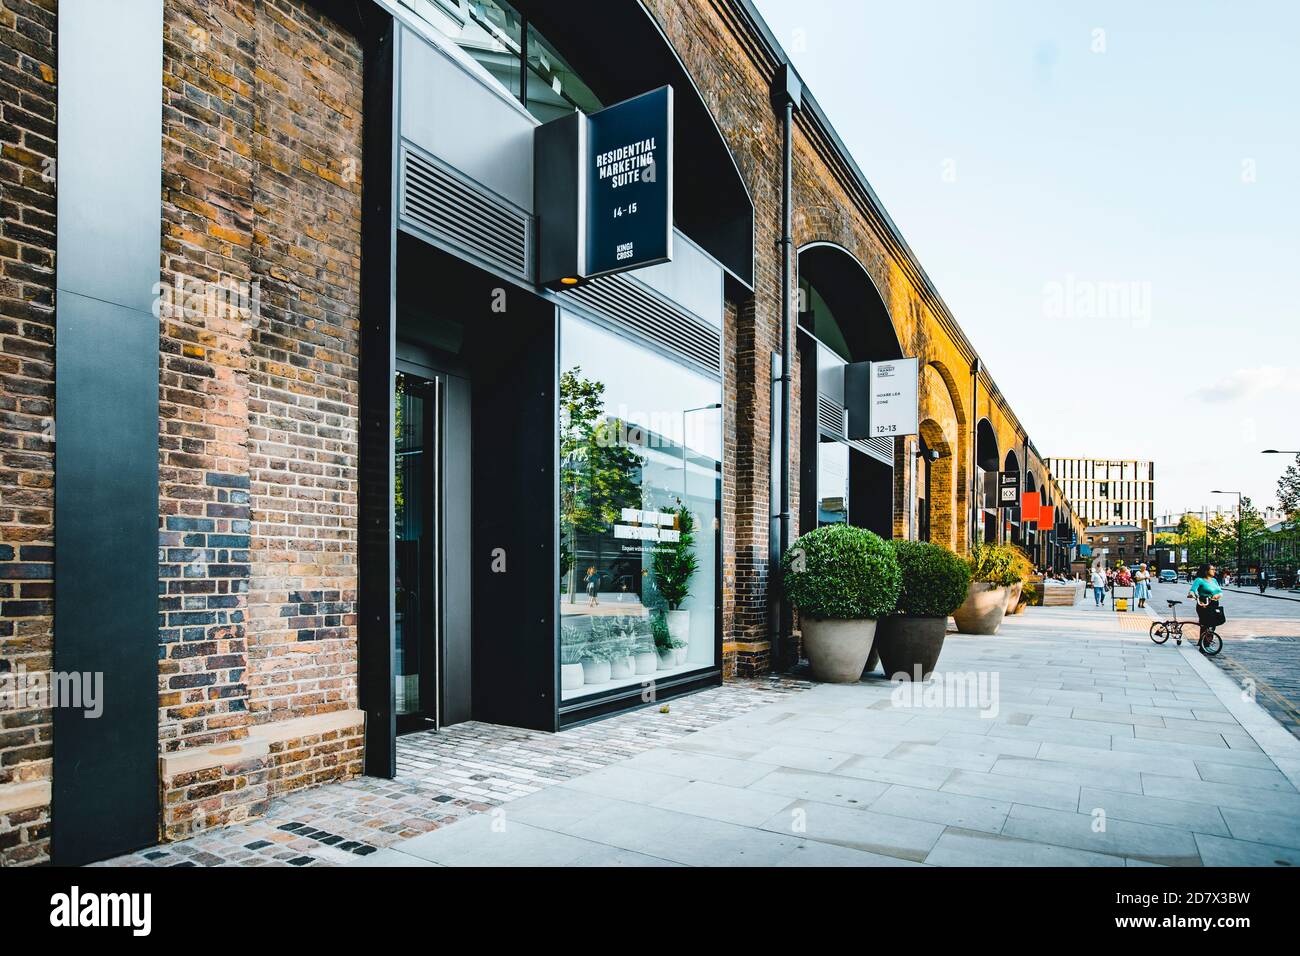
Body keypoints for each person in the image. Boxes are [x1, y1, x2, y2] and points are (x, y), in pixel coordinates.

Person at [1188, 563, 1224, 642]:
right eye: (1212, 569)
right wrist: (1192, 595)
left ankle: (1207, 642)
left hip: (1214, 604)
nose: (1214, 571)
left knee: (1213, 624)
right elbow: (1192, 590)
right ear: (1206, 571)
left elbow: (1220, 592)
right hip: (1204, 604)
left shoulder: (1214, 580)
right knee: (1205, 625)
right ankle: (1203, 644)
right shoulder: (1199, 580)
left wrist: (1218, 595)